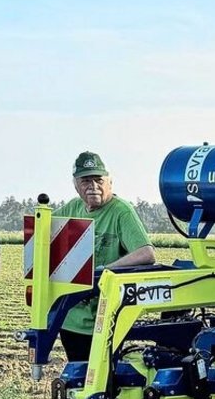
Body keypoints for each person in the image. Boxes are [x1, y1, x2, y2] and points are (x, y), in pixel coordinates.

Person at [53, 151, 155, 361]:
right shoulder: (73, 208)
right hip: (71, 317)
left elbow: (146, 253)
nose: (93, 186)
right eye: (86, 180)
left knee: (103, 382)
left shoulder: (121, 212)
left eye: (99, 180)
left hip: (103, 318)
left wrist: (104, 271)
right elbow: (43, 235)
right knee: (77, 378)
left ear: (110, 182)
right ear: (75, 184)